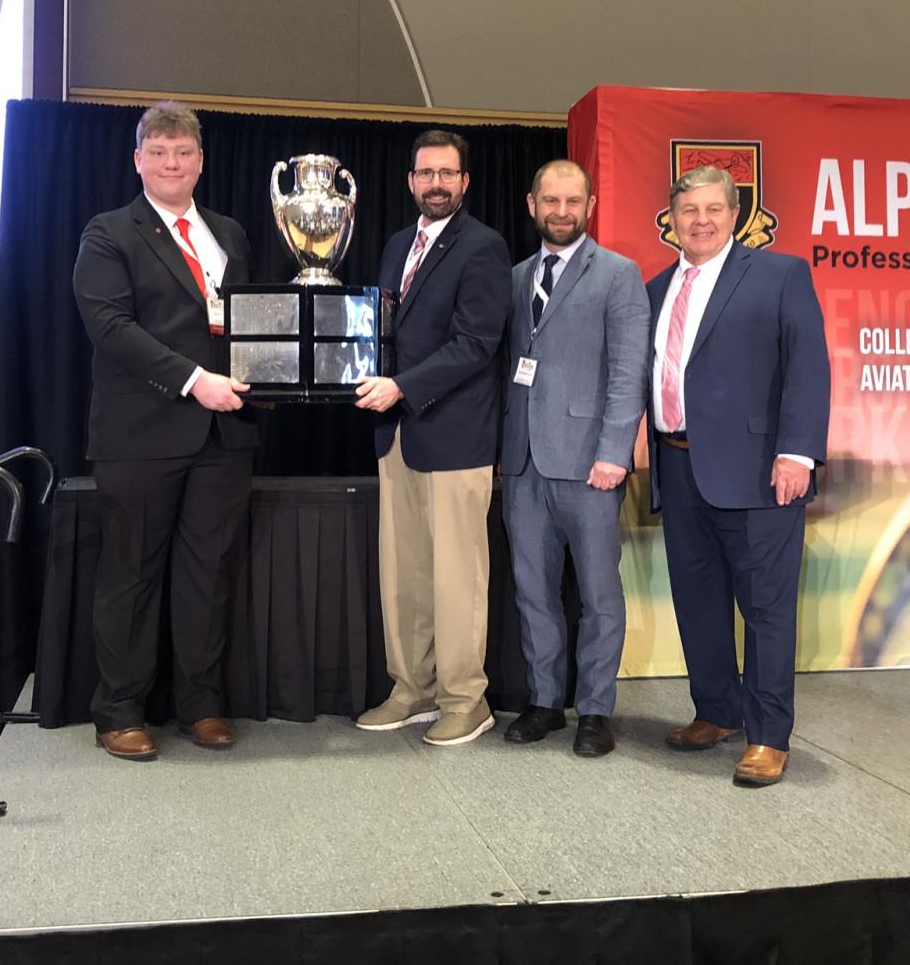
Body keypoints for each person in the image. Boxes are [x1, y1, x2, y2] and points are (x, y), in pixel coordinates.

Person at [71, 102, 257, 762]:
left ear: (200, 161)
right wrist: (191, 380)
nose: (172, 164)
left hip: (223, 438)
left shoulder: (229, 234)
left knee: (208, 576)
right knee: (132, 576)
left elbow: (243, 325)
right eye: (159, 153)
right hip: (141, 433)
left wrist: (272, 365)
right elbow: (111, 328)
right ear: (138, 161)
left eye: (183, 154)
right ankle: (119, 711)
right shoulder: (109, 233)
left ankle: (201, 705)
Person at [645, 165, 830, 785]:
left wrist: (798, 453)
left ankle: (769, 736)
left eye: (713, 209)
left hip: (758, 472)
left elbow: (808, 367)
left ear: (735, 215)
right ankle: (716, 711)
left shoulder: (780, 275)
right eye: (688, 210)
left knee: (766, 608)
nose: (700, 220)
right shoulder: (655, 289)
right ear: (671, 219)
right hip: (677, 463)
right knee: (698, 602)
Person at [353, 129, 511, 746]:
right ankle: (410, 689)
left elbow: (476, 344)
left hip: (454, 437)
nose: (436, 184)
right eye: (426, 174)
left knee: (456, 578)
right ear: (411, 182)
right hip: (397, 437)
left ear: (465, 183)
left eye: (448, 174)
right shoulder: (397, 245)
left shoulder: (483, 247)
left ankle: (466, 700)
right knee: (405, 575)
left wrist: (400, 386)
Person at [500, 160, 650, 757]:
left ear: (590, 206)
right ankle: (544, 702)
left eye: (573, 201)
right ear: (531, 203)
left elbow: (628, 371)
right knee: (533, 592)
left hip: (591, 465)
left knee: (597, 595)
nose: (561, 211)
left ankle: (594, 709)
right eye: (550, 200)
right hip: (522, 465)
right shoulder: (514, 277)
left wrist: (615, 451)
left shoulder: (618, 274)